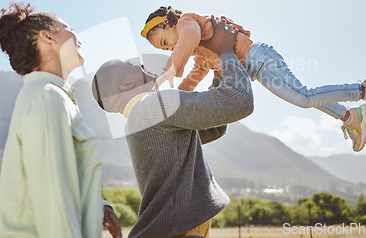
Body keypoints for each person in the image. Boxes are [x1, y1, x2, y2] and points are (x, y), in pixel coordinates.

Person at [140, 6, 366, 152]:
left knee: (303, 96)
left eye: (165, 42)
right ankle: (351, 117)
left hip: (260, 58)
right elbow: (194, 78)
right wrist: (171, 99)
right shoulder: (198, 52)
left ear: (168, 23)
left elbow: (188, 36)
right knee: (300, 95)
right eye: (164, 49)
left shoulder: (187, 22)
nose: (168, 48)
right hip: (255, 69)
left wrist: (169, 70)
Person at [92, 17, 254, 238]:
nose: (141, 64)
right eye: (131, 66)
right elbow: (239, 102)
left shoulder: (140, 118)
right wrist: (225, 50)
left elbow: (214, 127)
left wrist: (218, 69)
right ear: (124, 85)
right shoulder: (153, 106)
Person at [0, 3, 122, 238]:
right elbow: (54, 201)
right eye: (68, 28)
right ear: (47, 36)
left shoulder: (54, 97)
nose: (76, 35)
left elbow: (63, 176)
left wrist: (97, 205)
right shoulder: (46, 99)